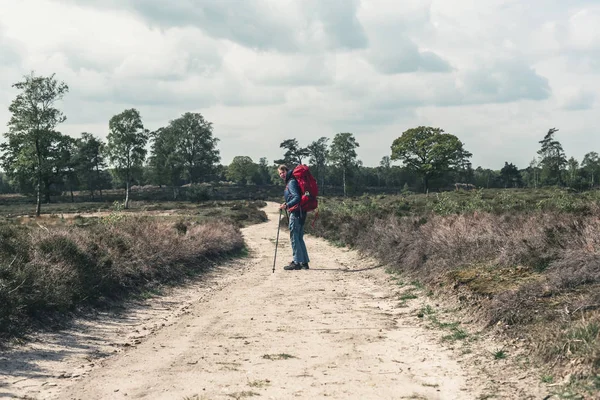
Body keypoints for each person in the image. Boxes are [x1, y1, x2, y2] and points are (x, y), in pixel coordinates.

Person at [277, 164, 310, 270]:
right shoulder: (292, 181)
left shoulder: (291, 182)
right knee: (299, 237)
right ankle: (304, 262)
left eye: (283, 172)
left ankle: (296, 262)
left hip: (296, 213)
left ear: (287, 171)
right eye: (280, 173)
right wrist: (286, 203)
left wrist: (287, 205)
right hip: (301, 212)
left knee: (294, 237)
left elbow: (297, 197)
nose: (282, 175)